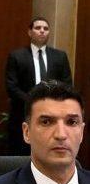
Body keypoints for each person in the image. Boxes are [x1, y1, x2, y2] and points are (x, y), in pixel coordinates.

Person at [5, 17, 73, 156]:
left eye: (45, 29)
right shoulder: (17, 56)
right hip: (23, 114)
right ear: (30, 32)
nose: (42, 31)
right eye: (38, 28)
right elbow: (12, 87)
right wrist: (34, 102)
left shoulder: (60, 56)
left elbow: (66, 84)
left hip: (54, 115)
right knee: (21, 156)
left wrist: (52, 103)